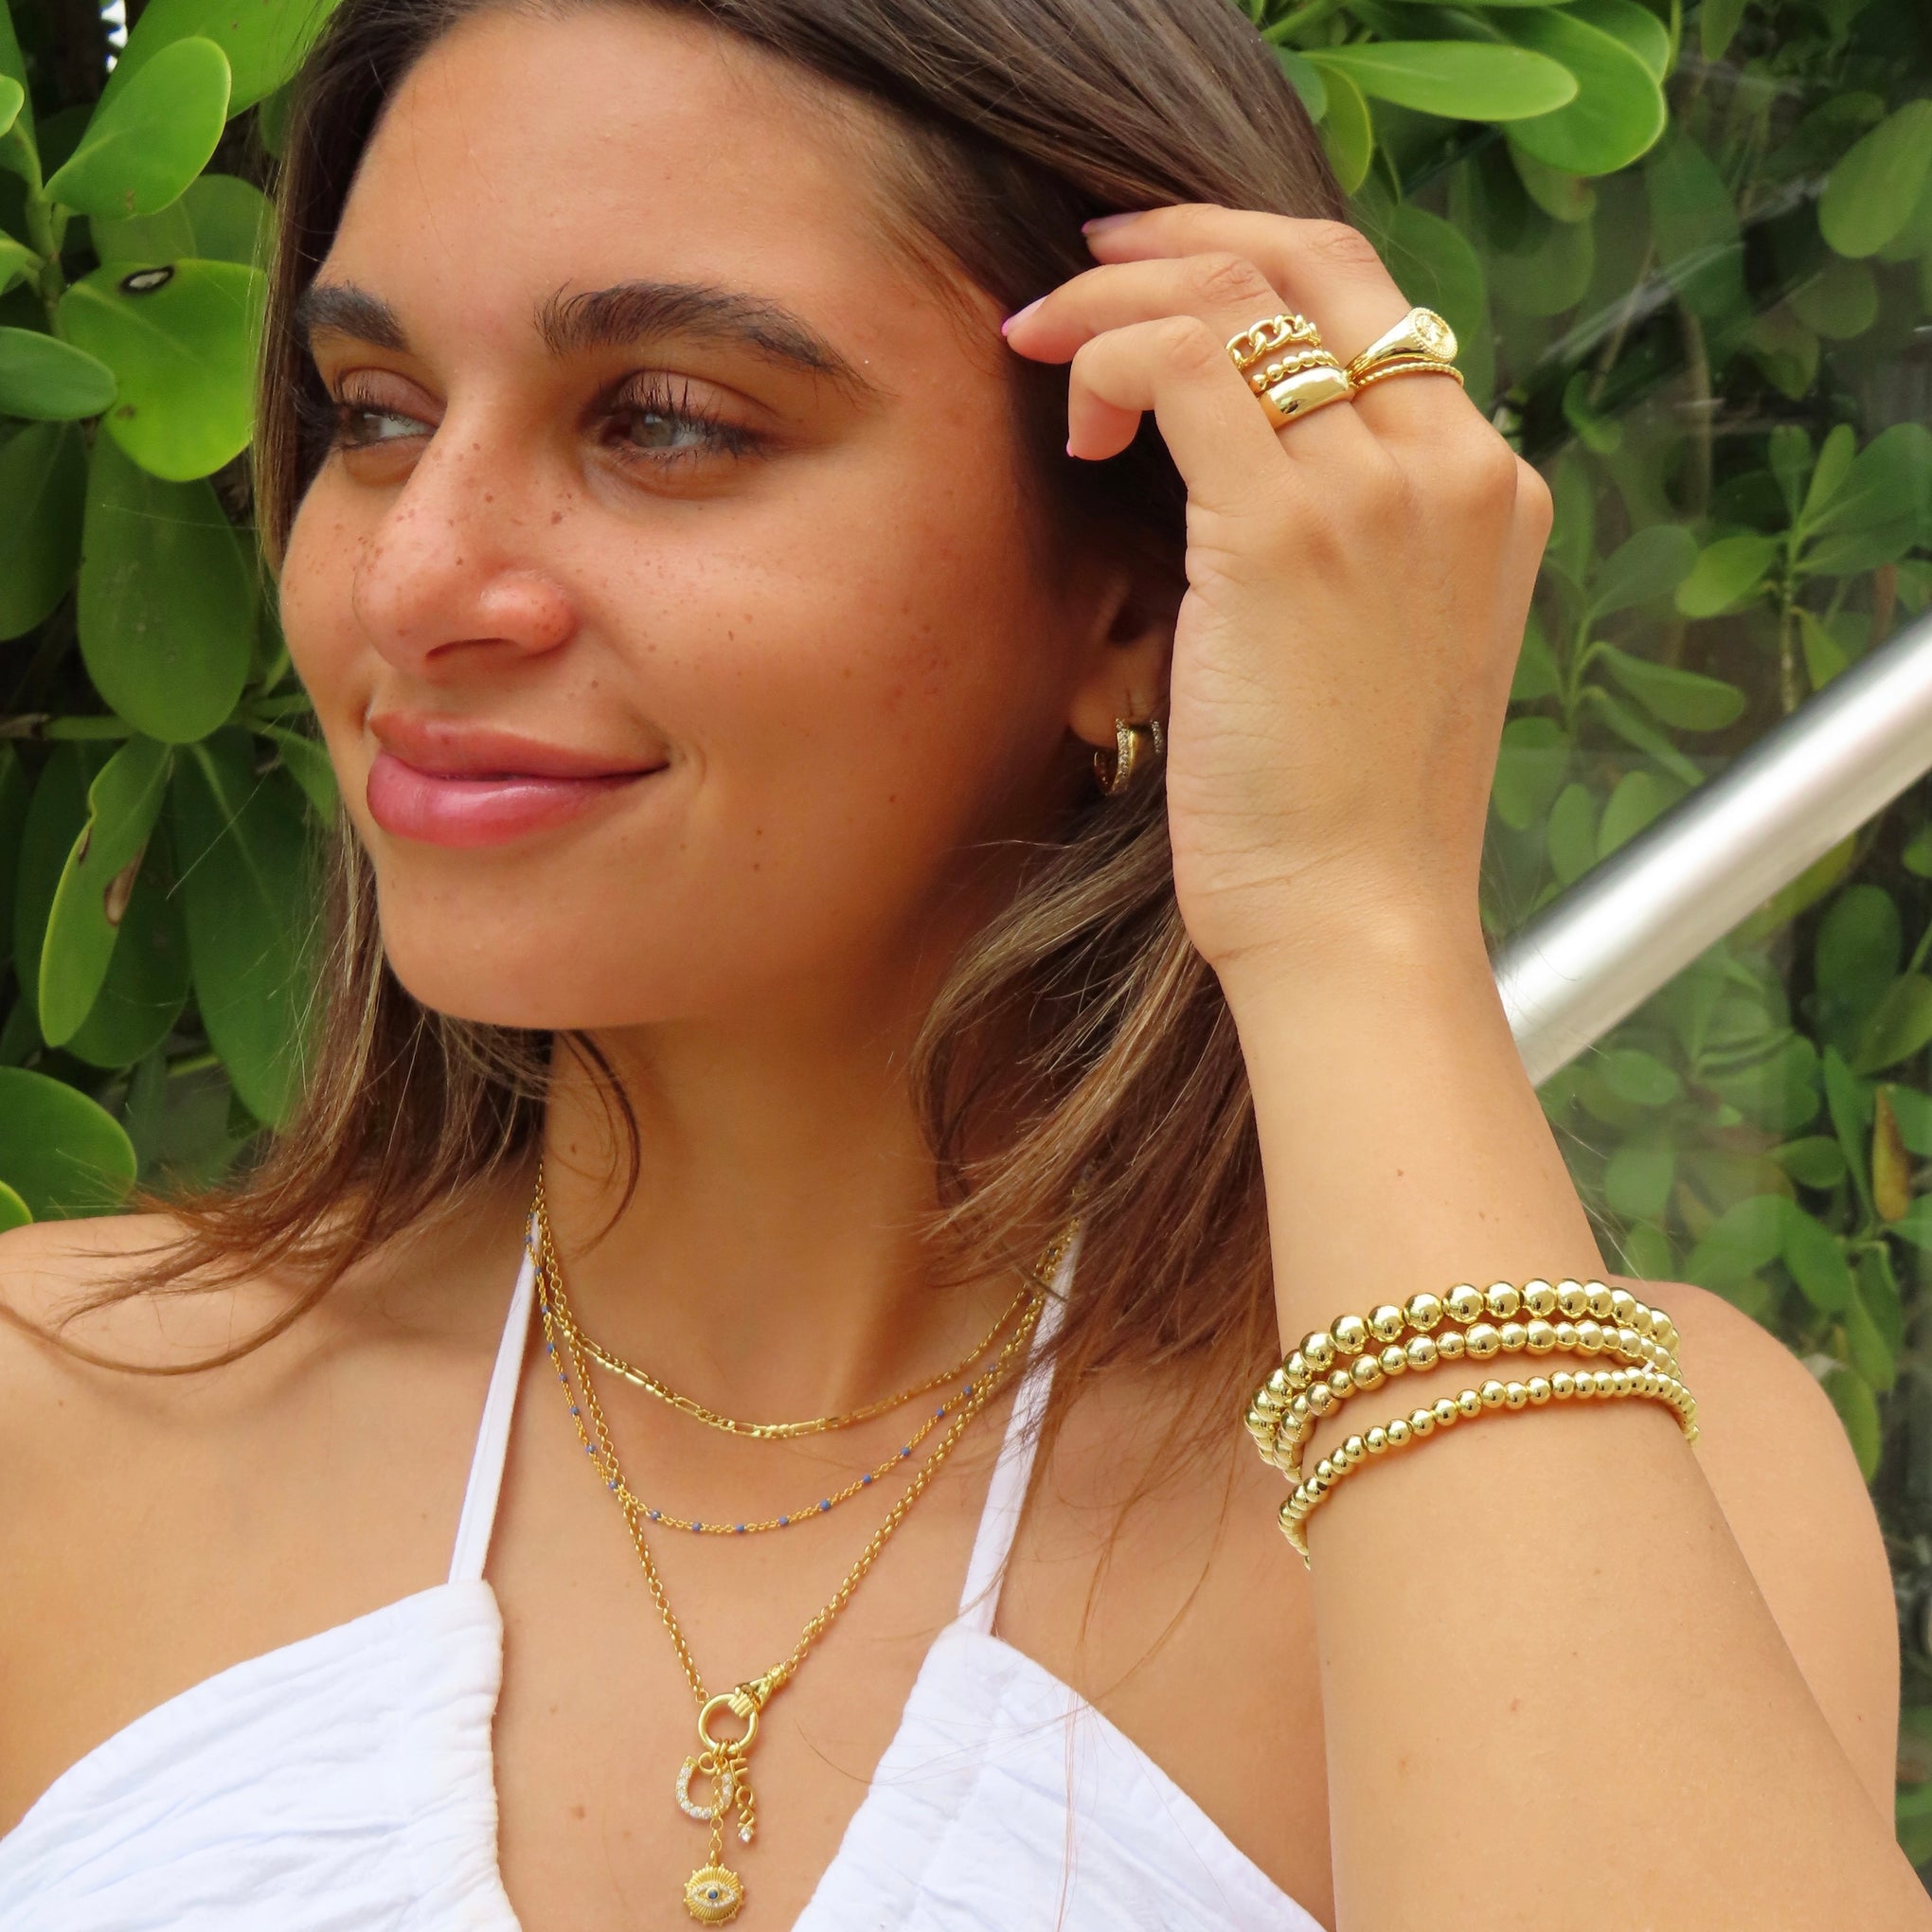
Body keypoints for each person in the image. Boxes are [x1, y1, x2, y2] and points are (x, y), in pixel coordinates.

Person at [0, 0, 1919, 1925]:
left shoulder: (1646, 1484)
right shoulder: (48, 1423)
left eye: (665, 422)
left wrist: (1354, 914)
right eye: (374, 414)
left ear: (1148, 581)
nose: (410, 579)